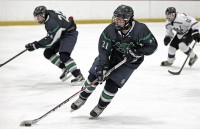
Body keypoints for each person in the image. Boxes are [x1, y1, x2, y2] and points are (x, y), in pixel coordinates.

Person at [70, 5, 158, 117]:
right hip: (111, 56)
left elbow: (152, 46)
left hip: (129, 62)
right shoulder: (110, 30)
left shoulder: (140, 29)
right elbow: (103, 51)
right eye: (116, 19)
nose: (117, 22)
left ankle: (100, 106)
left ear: (129, 19)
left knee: (112, 85)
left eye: (121, 20)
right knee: (94, 76)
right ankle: (81, 99)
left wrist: (137, 51)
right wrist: (102, 66)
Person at [25, 6, 85, 84]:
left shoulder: (50, 23)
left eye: (38, 17)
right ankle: (65, 68)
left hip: (69, 34)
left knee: (64, 55)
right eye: (36, 17)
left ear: (43, 15)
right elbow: (59, 13)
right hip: (62, 33)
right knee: (48, 53)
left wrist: (36, 45)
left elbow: (51, 41)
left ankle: (79, 77)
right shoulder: (50, 12)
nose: (37, 19)